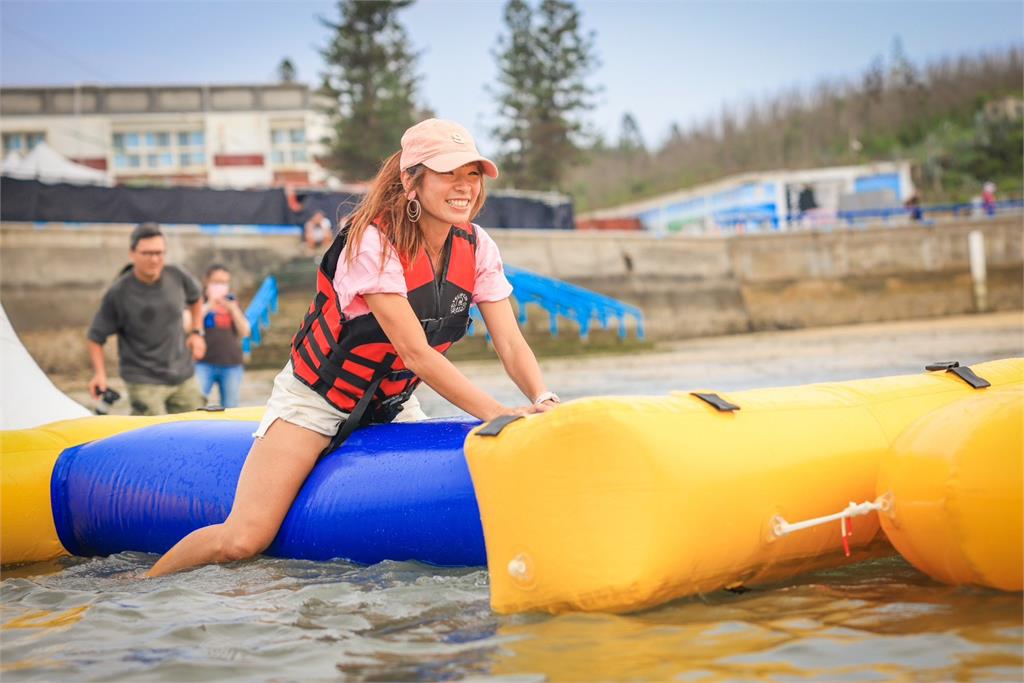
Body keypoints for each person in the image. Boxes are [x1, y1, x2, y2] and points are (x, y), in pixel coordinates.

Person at [146, 118, 559, 577]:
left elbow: (510, 340)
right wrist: (498, 415)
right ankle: (141, 585)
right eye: (448, 174)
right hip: (318, 399)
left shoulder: (478, 246)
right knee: (244, 539)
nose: (464, 187)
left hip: (394, 403)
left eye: (473, 174)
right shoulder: (372, 241)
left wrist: (541, 399)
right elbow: (416, 353)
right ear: (410, 180)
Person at [87, 222, 207, 415]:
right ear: (132, 253)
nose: (154, 259)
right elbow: (95, 337)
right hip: (143, 380)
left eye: (159, 253)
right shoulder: (118, 293)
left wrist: (197, 332)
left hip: (183, 375)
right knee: (153, 436)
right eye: (147, 253)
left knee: (198, 428)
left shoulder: (176, 275)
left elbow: (196, 298)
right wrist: (100, 375)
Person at [194, 264, 251, 408]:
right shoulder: (197, 301)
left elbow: (245, 332)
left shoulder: (233, 302)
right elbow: (189, 324)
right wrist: (209, 305)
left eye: (224, 282)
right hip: (202, 363)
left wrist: (233, 309)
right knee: (195, 404)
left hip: (231, 364)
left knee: (231, 408)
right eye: (216, 282)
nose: (220, 286)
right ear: (206, 281)